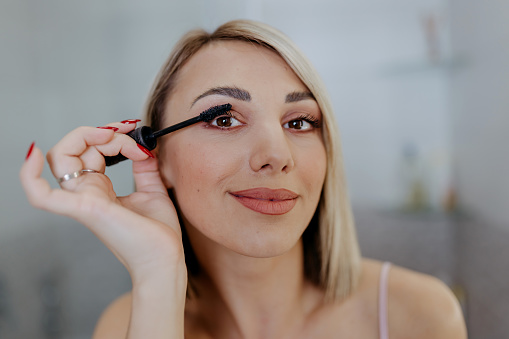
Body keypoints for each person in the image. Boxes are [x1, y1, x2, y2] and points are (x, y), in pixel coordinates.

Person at [20, 20, 467, 338]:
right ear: (155, 157)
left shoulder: (420, 315)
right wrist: (158, 275)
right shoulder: (126, 326)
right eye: (223, 120)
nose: (277, 156)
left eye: (299, 123)